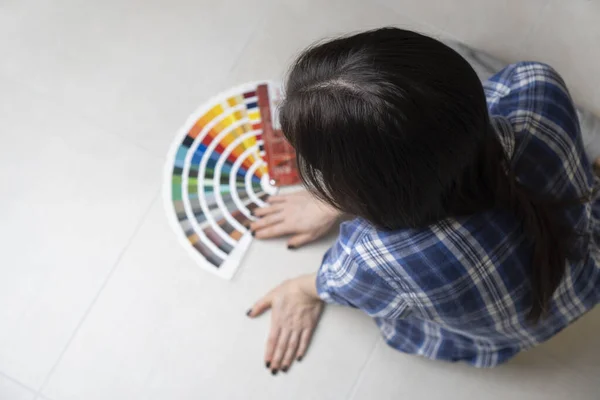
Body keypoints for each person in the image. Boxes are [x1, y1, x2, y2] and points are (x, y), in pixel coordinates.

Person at [246, 27, 600, 375]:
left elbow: (335, 285)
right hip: (586, 278)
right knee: (450, 46)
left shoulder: (374, 258)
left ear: (364, 189)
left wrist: (298, 290)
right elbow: (449, 142)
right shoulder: (537, 86)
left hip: (507, 334)